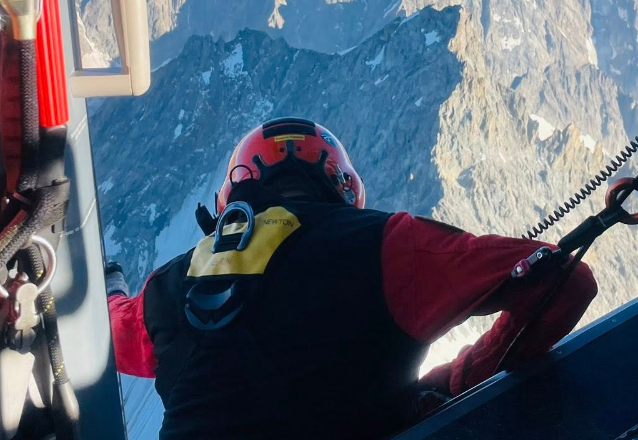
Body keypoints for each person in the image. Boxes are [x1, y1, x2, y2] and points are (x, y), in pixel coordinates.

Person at [104, 117, 597, 439]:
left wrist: (112, 288)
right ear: (343, 188)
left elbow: (109, 333)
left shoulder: (172, 284)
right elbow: (563, 282)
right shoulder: (391, 245)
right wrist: (455, 381)